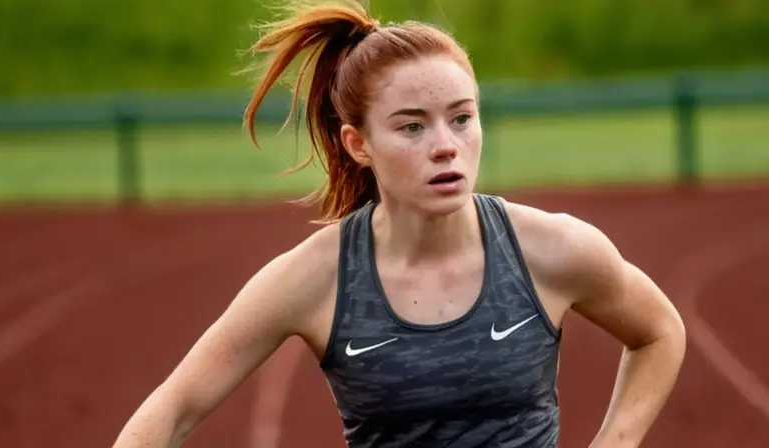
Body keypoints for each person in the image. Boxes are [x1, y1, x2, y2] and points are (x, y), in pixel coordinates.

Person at [113, 1, 687, 447]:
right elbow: (174, 408)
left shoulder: (551, 250)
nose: (446, 147)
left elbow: (659, 330)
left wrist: (617, 439)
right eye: (412, 127)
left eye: (461, 118)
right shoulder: (317, 278)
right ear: (359, 144)